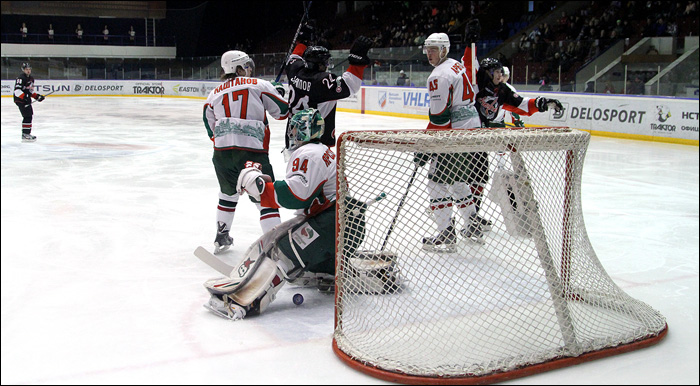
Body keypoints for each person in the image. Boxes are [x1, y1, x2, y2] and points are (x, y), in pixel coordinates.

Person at [202, 109, 392, 320]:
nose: (291, 133)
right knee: (293, 246)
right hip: (346, 223)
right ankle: (358, 275)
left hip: (334, 224)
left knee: (284, 251)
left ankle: (244, 303)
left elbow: (297, 195)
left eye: (294, 128)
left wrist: (263, 189)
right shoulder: (319, 150)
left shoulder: (309, 153)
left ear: (303, 130)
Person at [203, 50, 289, 254]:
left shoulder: (214, 93)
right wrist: (279, 93)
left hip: (222, 154)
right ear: (238, 67)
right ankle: (274, 245)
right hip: (251, 152)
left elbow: (209, 126)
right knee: (266, 196)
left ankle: (221, 235)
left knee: (227, 193)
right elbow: (283, 112)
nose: (250, 69)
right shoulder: (259, 85)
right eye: (246, 65)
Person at [414, 25, 483, 251]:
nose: (429, 53)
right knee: (456, 180)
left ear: (444, 50)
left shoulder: (439, 75)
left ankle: (446, 233)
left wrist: (425, 146)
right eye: (427, 49)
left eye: (433, 49)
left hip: (455, 134)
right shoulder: (456, 64)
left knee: (436, 182)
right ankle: (472, 224)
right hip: (471, 130)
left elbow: (440, 118)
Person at [283, 24, 372, 155]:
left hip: (293, 136)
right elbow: (351, 84)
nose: (327, 65)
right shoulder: (322, 81)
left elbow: (294, 56)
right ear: (318, 65)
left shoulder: (294, 69)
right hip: (315, 143)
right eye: (325, 63)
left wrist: (303, 41)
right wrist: (357, 57)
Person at [13, 63, 45, 142]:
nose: (28, 71)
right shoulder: (21, 78)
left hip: (26, 99)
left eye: (29, 69)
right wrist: (24, 97)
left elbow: (30, 92)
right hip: (20, 100)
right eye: (26, 69)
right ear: (23, 70)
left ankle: (26, 133)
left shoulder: (31, 79)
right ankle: (25, 134)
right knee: (27, 116)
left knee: (29, 115)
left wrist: (37, 96)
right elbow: (17, 91)